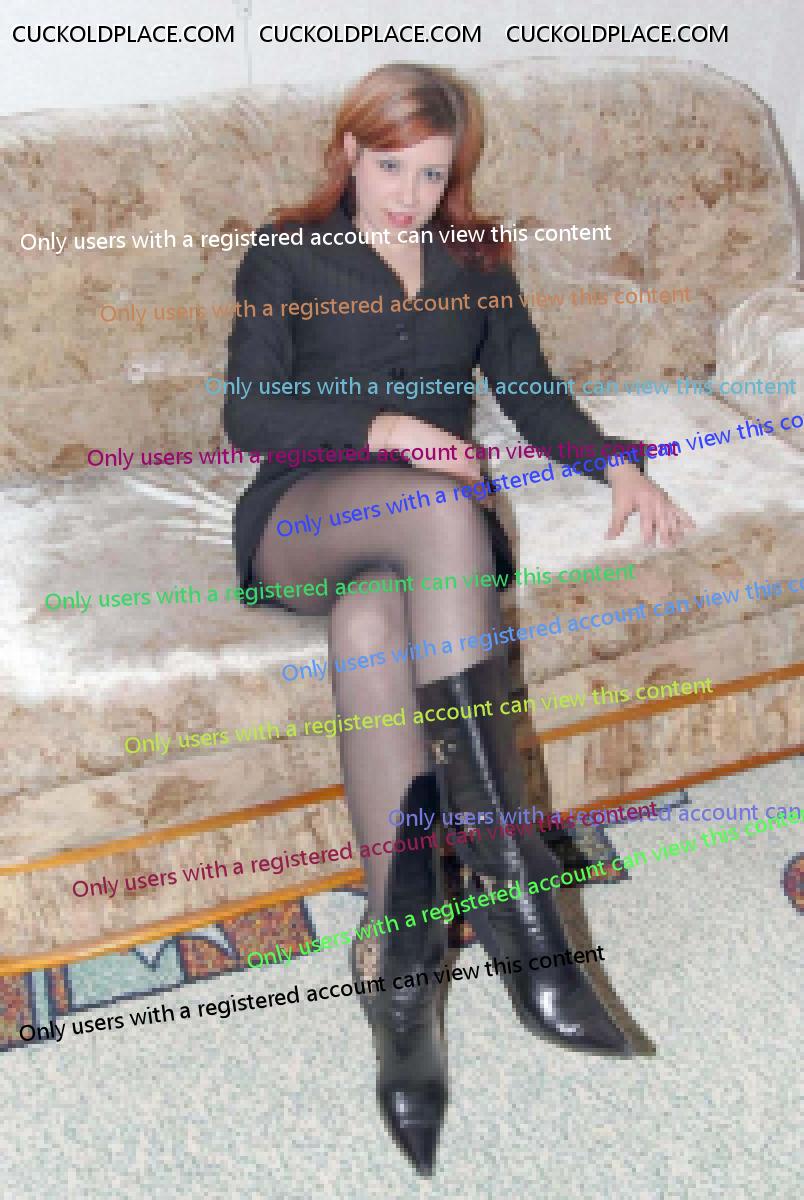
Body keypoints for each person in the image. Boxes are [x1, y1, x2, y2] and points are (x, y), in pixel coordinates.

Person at [224, 62, 694, 1176]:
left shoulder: (476, 260)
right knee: (438, 505)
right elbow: (251, 410)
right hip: (310, 512)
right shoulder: (288, 253)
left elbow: (529, 389)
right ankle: (517, 890)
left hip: (422, 553)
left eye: (432, 175)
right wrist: (386, 428)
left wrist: (615, 466)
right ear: (351, 152)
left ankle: (400, 987)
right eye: (391, 167)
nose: (410, 196)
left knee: (371, 628)